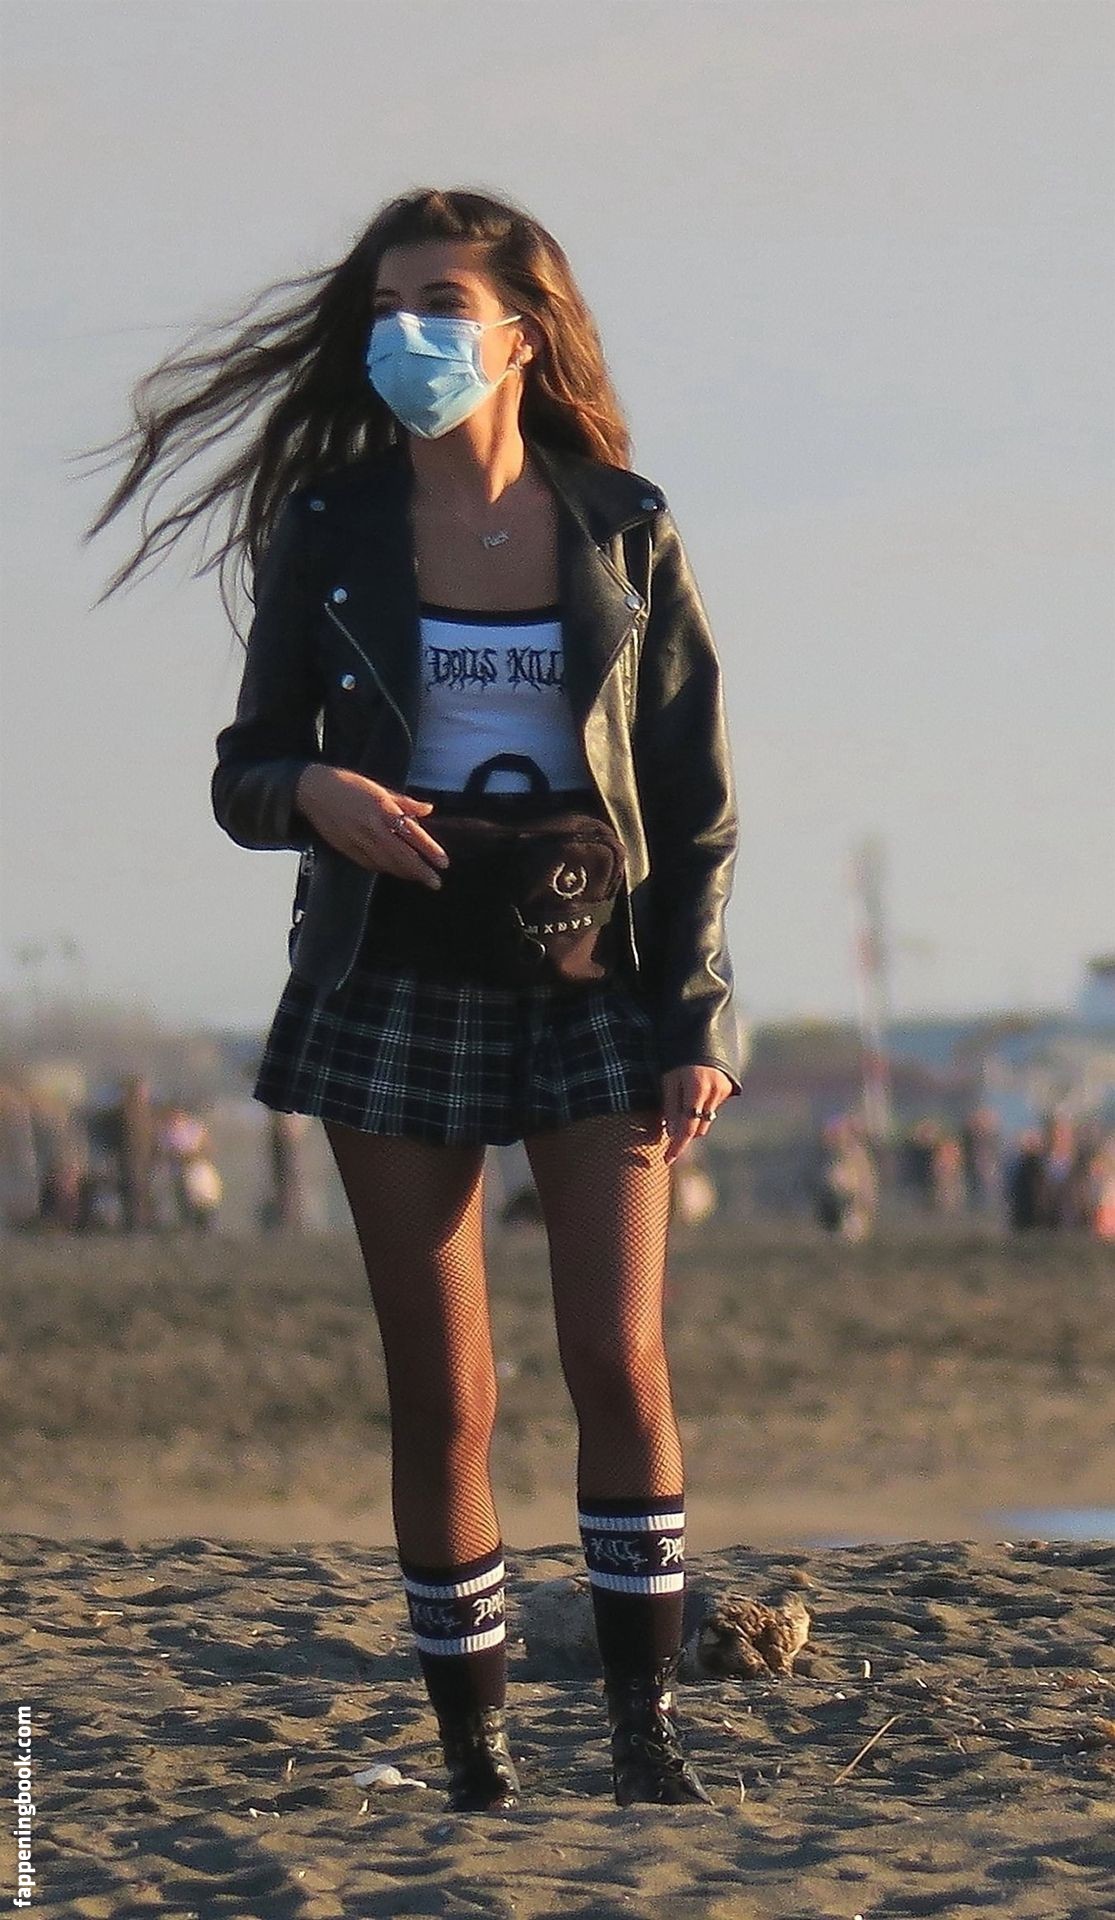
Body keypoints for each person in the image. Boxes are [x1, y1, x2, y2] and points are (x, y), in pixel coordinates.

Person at [83, 187, 745, 1812]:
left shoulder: (624, 525)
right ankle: (478, 1759)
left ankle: (645, 1737)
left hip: (595, 983)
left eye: (442, 307)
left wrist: (699, 1018)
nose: (409, 338)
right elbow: (245, 771)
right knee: (447, 1396)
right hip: (390, 975)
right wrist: (314, 790)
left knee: (618, 1358)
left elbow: (694, 798)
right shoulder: (330, 529)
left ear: (523, 332)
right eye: (387, 311)